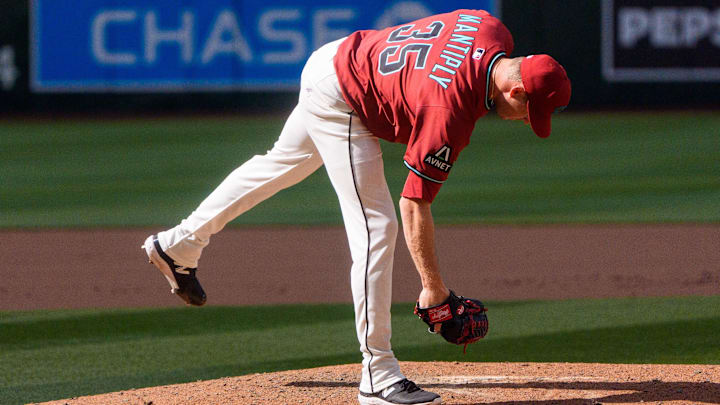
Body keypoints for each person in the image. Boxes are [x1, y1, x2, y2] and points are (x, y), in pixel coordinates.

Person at [142, 8, 571, 405]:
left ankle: (178, 245)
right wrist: (433, 290)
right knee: (377, 226)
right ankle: (378, 374)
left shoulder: (489, 26)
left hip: (334, 59)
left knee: (279, 165)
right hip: (344, 97)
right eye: (531, 113)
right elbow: (413, 204)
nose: (526, 122)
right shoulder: (448, 111)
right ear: (516, 89)